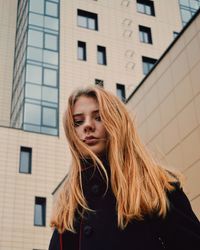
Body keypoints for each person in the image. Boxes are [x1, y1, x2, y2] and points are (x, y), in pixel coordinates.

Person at [49, 86, 200, 250]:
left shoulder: (156, 186)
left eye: (99, 117)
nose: (87, 126)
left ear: (116, 122)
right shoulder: (69, 203)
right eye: (78, 122)